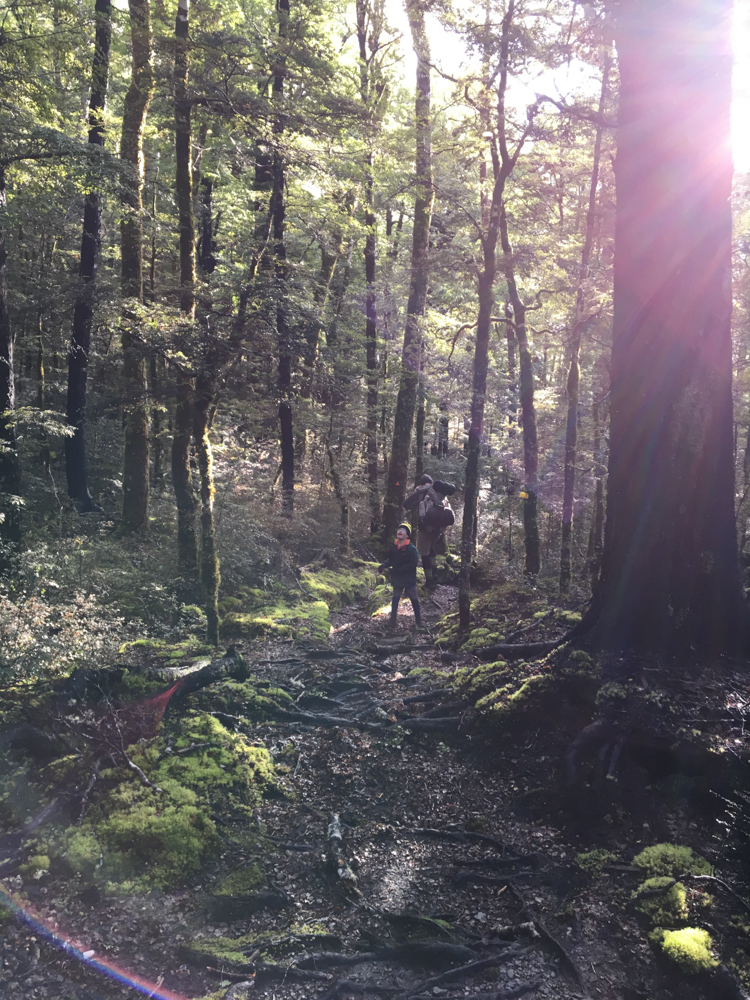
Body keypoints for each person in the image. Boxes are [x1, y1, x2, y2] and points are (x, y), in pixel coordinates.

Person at [403, 474, 457, 589]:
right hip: (438, 529)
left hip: (426, 528)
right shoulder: (441, 493)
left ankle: (429, 581)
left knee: (424, 554)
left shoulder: (422, 492)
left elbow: (406, 504)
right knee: (431, 550)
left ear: (422, 483)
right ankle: (435, 576)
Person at [377, 523, 423, 630]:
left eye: (403, 530)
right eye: (399, 529)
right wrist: (383, 565)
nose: (400, 531)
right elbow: (391, 560)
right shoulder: (394, 546)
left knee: (414, 599)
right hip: (397, 578)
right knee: (395, 598)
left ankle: (419, 622)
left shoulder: (411, 548)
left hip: (408, 578)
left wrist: (400, 569)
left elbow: (414, 563)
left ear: (407, 535)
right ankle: (392, 621)